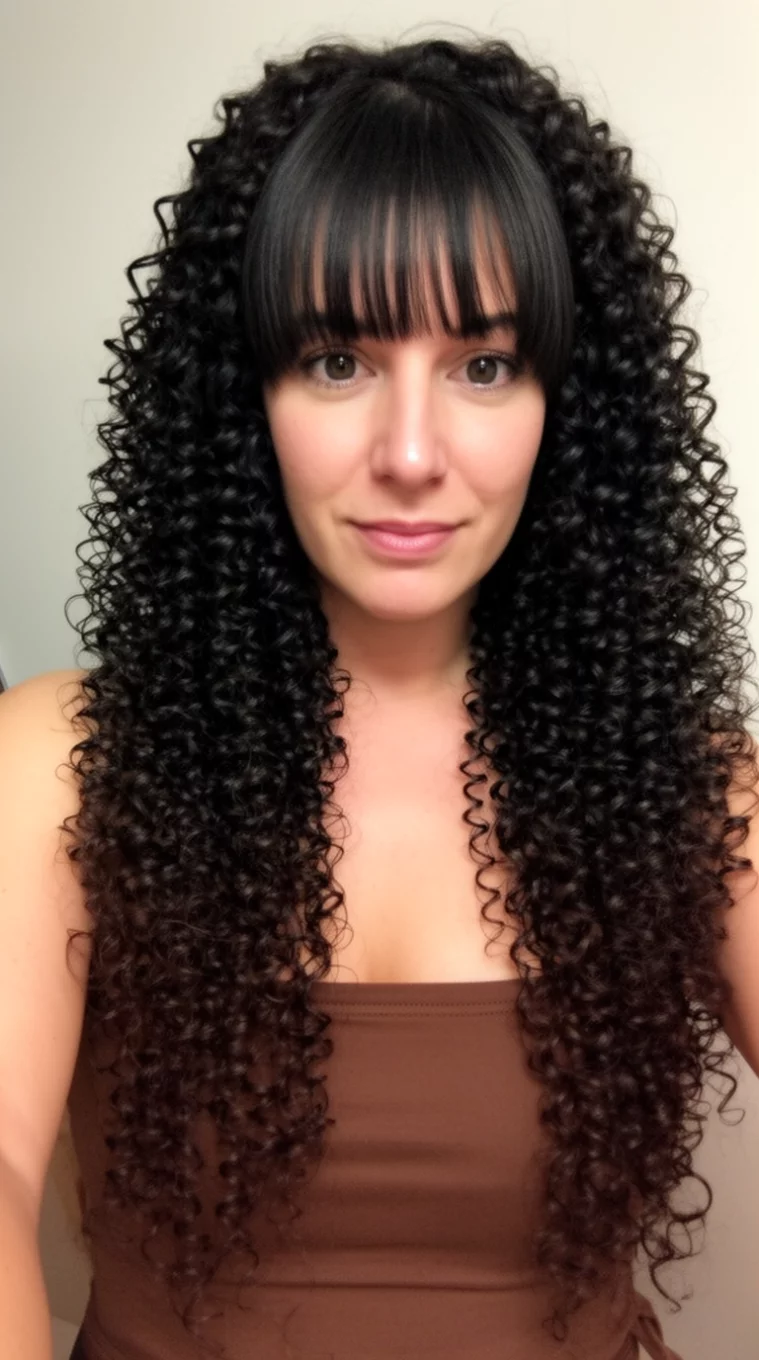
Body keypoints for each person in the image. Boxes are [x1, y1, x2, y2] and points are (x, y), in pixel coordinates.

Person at [1, 28, 757, 1360]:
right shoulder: (59, 763)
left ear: (570, 404)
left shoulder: (688, 790)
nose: (410, 453)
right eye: (337, 361)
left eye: (484, 365)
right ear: (244, 395)